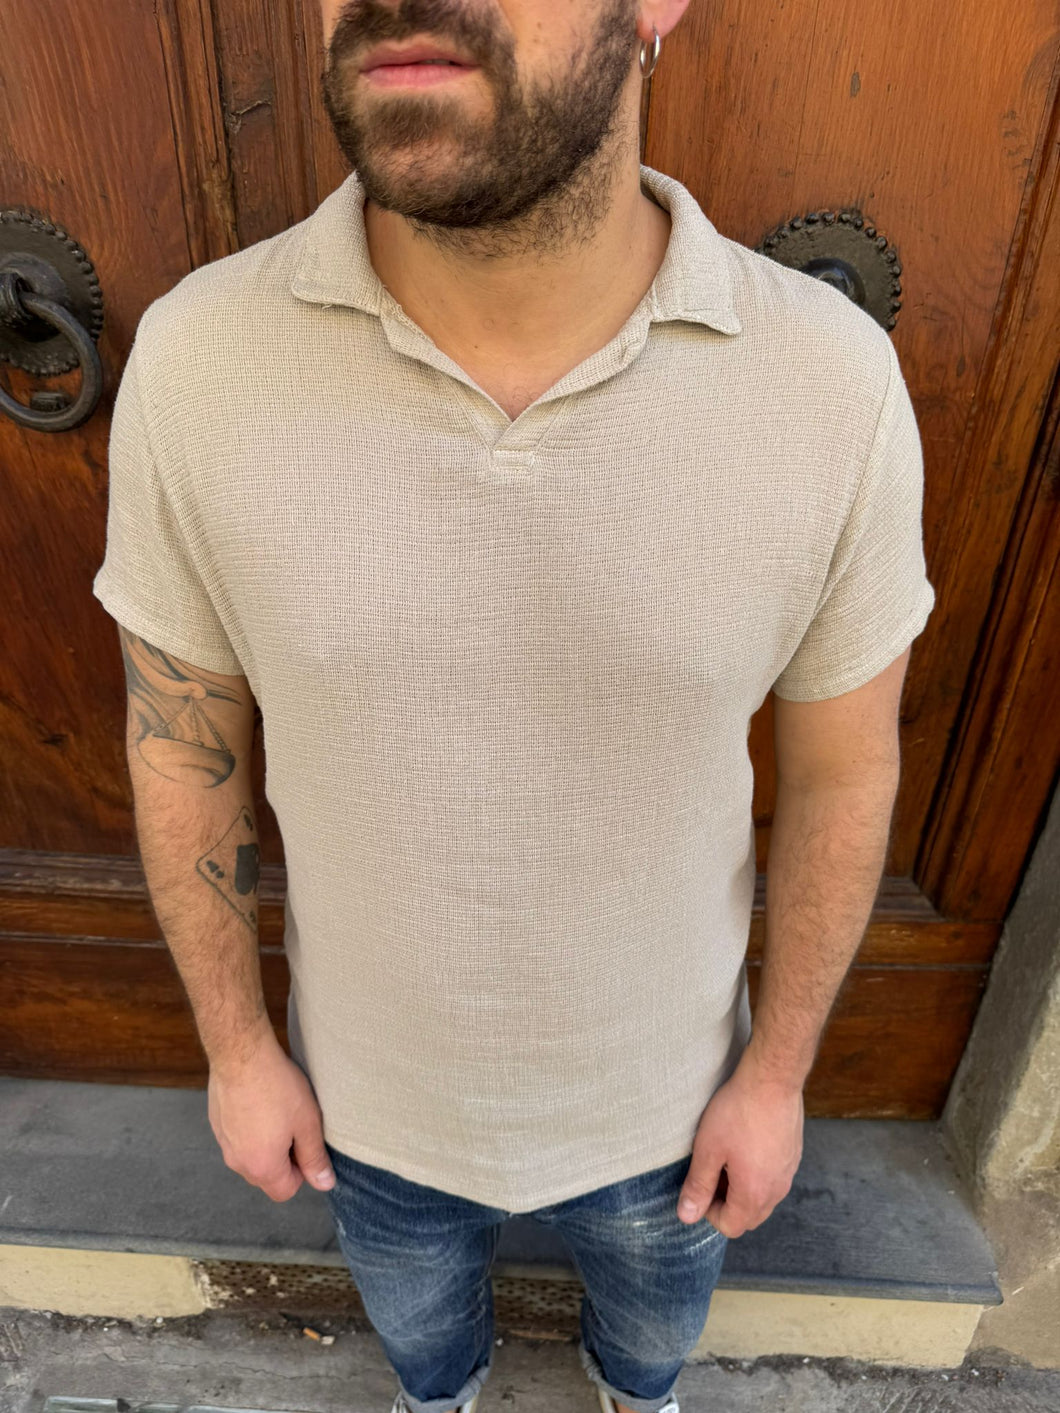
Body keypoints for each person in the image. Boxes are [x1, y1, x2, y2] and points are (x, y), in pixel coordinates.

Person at [92, 1, 936, 1412]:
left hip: (672, 1106)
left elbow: (845, 772)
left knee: (649, 1353)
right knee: (428, 1357)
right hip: (364, 1105)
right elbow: (186, 745)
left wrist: (779, 1074)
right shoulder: (199, 362)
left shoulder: (828, 386)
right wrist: (238, 1051)